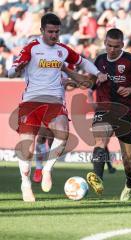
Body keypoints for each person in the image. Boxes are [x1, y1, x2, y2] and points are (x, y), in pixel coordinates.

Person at [8, 13, 107, 202]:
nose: (54, 35)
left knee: (62, 133)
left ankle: (47, 169)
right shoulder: (32, 48)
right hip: (31, 102)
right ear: (42, 31)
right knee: (27, 149)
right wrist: (16, 70)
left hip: (54, 101)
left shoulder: (62, 49)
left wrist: (98, 73)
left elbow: (83, 61)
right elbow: (11, 71)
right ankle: (25, 183)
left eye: (57, 32)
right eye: (50, 32)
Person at [86, 28, 131, 201]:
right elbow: (90, 81)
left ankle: (130, 182)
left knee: (128, 161)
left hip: (127, 111)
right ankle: (97, 178)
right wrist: (77, 81)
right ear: (105, 43)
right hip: (105, 108)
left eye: (116, 46)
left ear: (122, 44)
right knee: (100, 139)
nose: (112, 49)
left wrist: (130, 90)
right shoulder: (99, 59)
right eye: (109, 45)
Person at [87, 88, 116, 174]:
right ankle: (100, 170)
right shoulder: (97, 78)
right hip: (102, 113)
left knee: (104, 142)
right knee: (102, 142)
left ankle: (99, 163)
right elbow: (89, 92)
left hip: (114, 112)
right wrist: (94, 105)